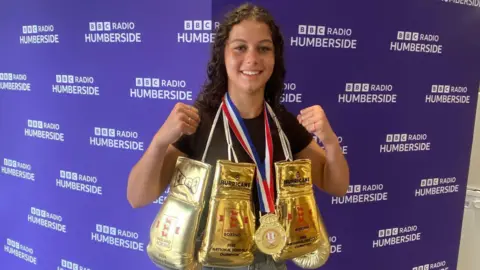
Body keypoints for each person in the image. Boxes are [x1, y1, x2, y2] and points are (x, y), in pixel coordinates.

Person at [127, 3, 349, 269]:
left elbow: (336, 185)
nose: (252, 59)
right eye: (240, 47)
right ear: (224, 54)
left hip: (271, 261)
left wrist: (331, 141)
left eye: (264, 48)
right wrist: (160, 141)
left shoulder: (282, 124)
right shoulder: (199, 122)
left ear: (274, 57)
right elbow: (137, 197)